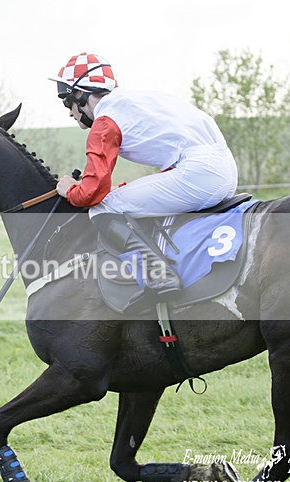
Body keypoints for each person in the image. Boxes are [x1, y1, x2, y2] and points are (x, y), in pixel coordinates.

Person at [50, 52, 238, 299]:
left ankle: (160, 274)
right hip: (224, 169)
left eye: (67, 102)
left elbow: (91, 194)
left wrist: (68, 188)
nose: (69, 112)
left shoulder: (105, 120)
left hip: (199, 173)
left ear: (80, 94)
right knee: (118, 198)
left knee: (102, 209)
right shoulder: (139, 100)